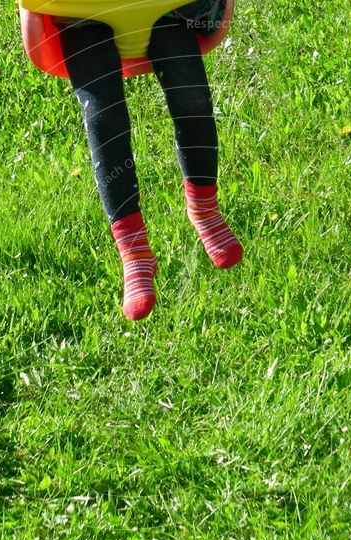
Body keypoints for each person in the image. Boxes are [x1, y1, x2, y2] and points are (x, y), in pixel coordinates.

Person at [57, 0, 243, 320]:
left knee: (192, 97)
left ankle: (204, 210)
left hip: (164, 7)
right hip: (83, 14)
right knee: (104, 119)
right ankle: (133, 250)